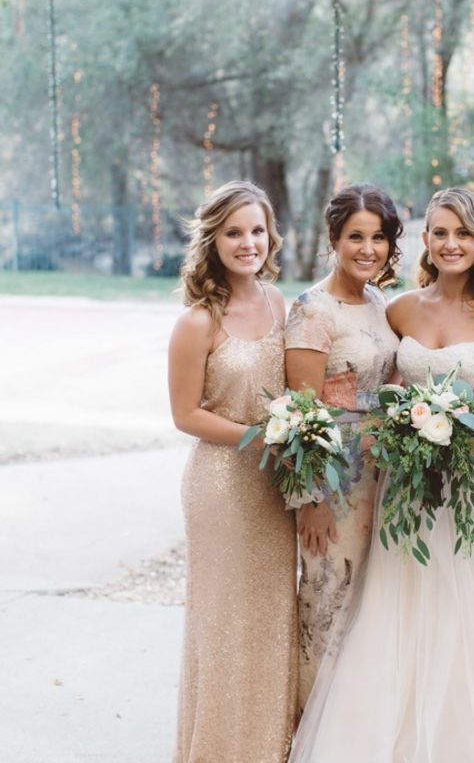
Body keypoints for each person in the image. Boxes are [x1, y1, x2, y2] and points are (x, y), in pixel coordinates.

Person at [289, 187, 474, 763]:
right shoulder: (399, 309)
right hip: (405, 493)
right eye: (439, 232)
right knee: (397, 612)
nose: (451, 243)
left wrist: (460, 426)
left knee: (471, 623)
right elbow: (378, 386)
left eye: (462, 232)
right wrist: (409, 423)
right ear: (425, 241)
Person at [168, 180, 297, 763]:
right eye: (234, 232)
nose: (249, 243)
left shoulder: (282, 306)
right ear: (214, 240)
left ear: (271, 236)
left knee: (272, 620)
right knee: (222, 625)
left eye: (257, 231)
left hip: (276, 487)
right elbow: (185, 414)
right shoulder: (199, 321)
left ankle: (267, 749)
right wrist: (258, 437)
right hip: (221, 486)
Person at [284, 183, 402, 709]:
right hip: (334, 479)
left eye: (378, 237)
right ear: (333, 237)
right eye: (356, 236)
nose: (368, 249)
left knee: (367, 606)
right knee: (328, 594)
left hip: (384, 474)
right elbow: (302, 412)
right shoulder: (312, 309)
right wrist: (310, 500)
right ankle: (310, 726)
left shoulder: (378, 301)